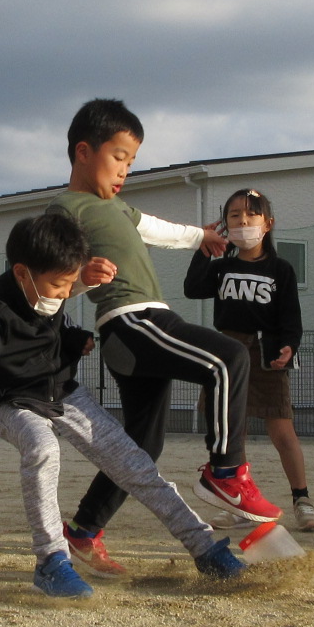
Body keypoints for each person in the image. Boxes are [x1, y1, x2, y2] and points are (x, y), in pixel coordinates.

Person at [0, 213, 249, 598]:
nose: (64, 291)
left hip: (62, 391)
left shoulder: (50, 290)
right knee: (43, 449)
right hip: (10, 402)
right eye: (59, 284)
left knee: (134, 462)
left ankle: (205, 548)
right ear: (22, 273)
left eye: (70, 282)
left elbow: (53, 328)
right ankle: (51, 562)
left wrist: (76, 339)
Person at [46, 98, 279, 578]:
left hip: (138, 332)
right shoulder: (65, 209)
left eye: (132, 161)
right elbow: (52, 280)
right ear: (83, 152)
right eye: (118, 157)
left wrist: (200, 238)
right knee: (228, 358)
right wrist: (85, 277)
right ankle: (226, 473)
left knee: (141, 449)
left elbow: (154, 228)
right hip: (131, 321)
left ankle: (84, 532)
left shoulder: (116, 207)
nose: (125, 169)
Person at [184, 187, 314, 530]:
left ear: (267, 223)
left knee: (282, 430)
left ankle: (302, 500)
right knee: (233, 432)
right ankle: (239, 504)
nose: (243, 222)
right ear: (225, 224)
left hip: (266, 355)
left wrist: (289, 347)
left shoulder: (281, 269)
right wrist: (204, 245)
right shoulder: (221, 268)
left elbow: (292, 320)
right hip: (227, 352)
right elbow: (192, 287)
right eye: (234, 216)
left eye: (251, 215)